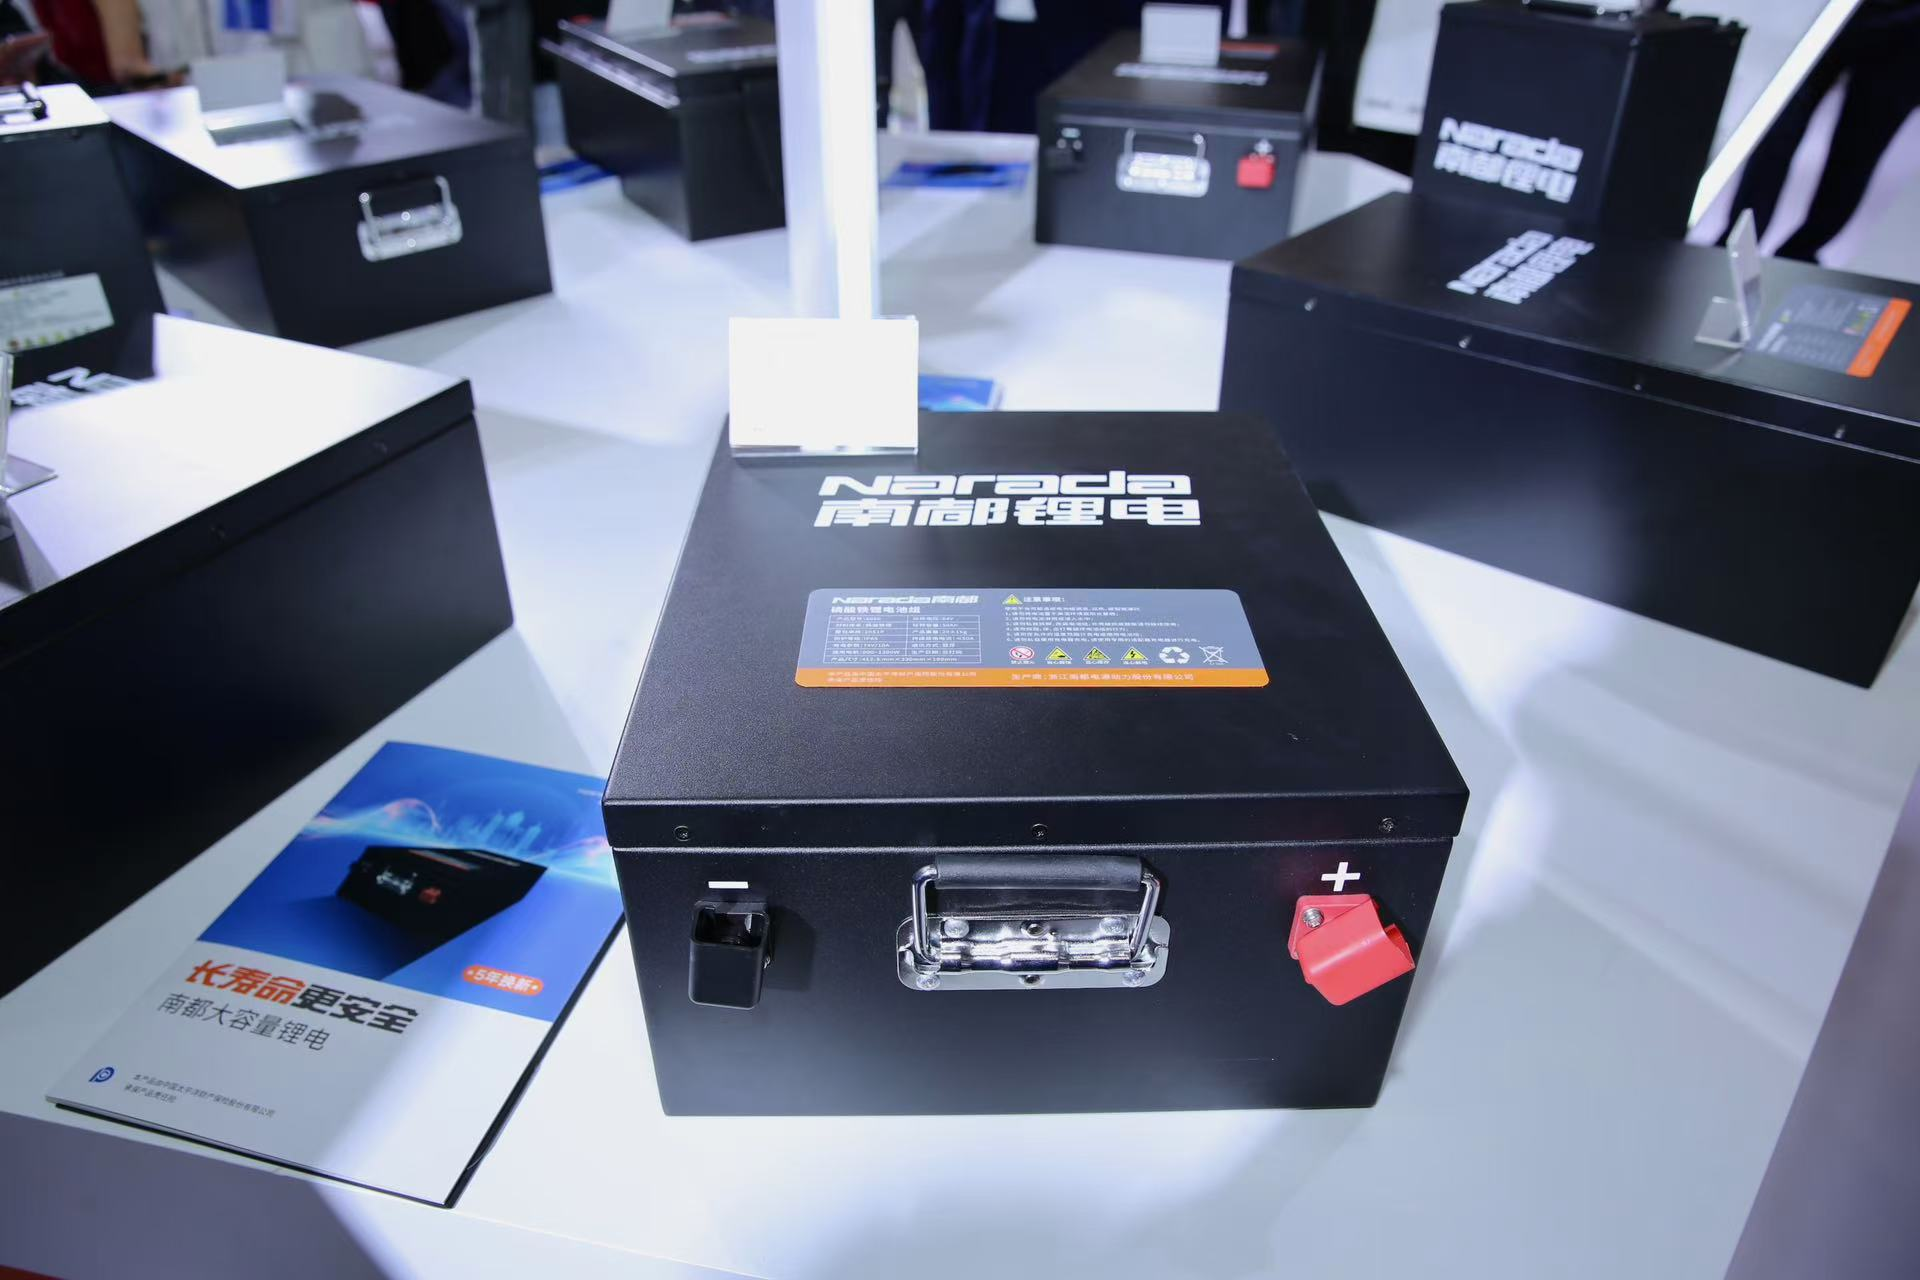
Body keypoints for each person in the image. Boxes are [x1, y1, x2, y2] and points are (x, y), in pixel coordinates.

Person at [1724, 0, 1920, 263]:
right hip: (1829, 14)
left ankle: (1799, 253)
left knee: (1860, 150)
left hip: (1909, 33)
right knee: (1780, 125)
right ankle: (1739, 244)